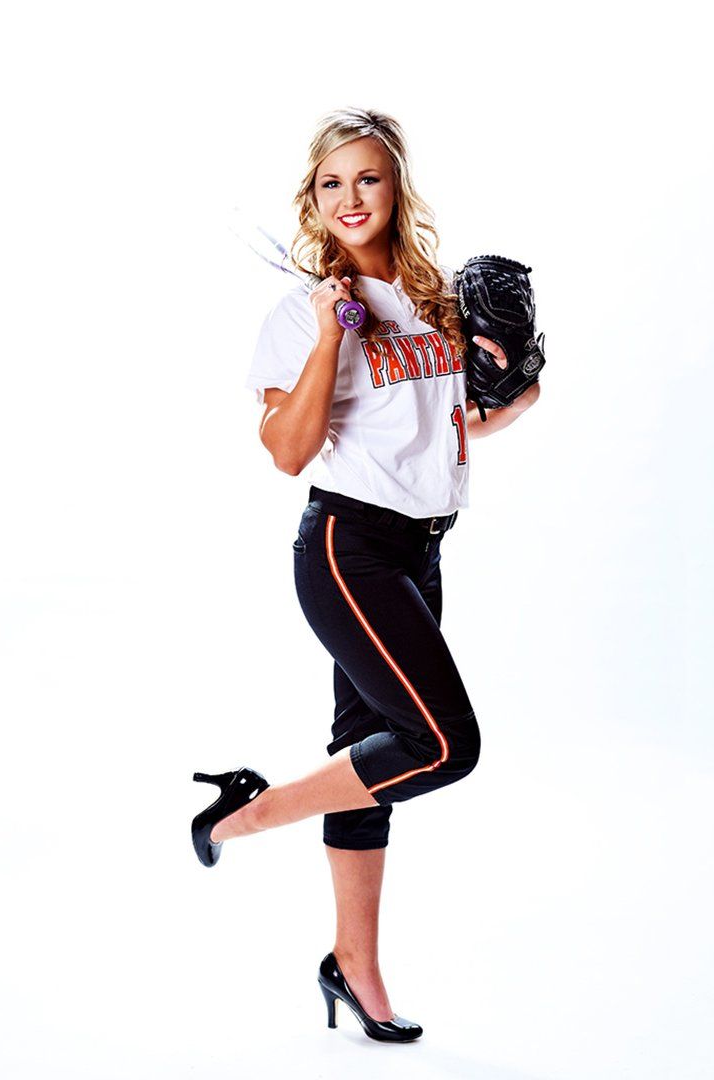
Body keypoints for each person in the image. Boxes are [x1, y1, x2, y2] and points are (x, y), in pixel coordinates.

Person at [192, 106, 541, 1042]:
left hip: (421, 549)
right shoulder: (299, 312)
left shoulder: (434, 300)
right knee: (441, 746)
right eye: (331, 182)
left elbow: (463, 422)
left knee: (368, 763)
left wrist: (517, 379)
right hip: (347, 549)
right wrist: (326, 340)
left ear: (396, 189)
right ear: (313, 198)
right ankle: (242, 818)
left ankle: (354, 968)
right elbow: (286, 450)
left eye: (369, 178)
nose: (351, 197)